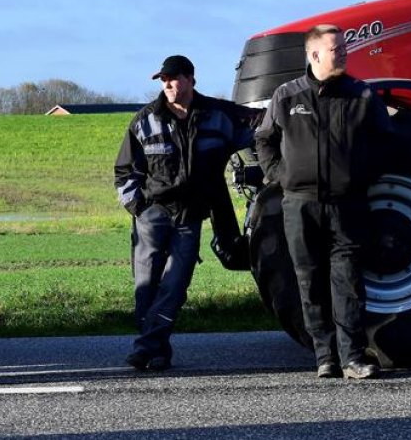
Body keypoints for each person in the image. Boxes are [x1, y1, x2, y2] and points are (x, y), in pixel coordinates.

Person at [254, 24, 390, 380]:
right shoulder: (286, 96)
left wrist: (363, 175)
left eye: (344, 48)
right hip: (299, 205)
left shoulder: (361, 95)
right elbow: (264, 140)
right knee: (309, 280)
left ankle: (354, 358)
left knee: (348, 282)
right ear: (314, 55)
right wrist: (279, 176)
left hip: (348, 205)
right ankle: (324, 357)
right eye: (336, 49)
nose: (344, 53)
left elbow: (385, 140)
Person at [114, 55, 258, 372]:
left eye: (173, 78)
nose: (167, 84)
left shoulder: (217, 116)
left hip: (190, 216)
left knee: (175, 286)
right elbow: (124, 172)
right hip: (152, 215)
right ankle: (158, 352)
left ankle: (144, 348)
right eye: (163, 79)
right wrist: (138, 208)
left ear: (191, 79)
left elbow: (259, 122)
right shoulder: (144, 120)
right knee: (146, 288)